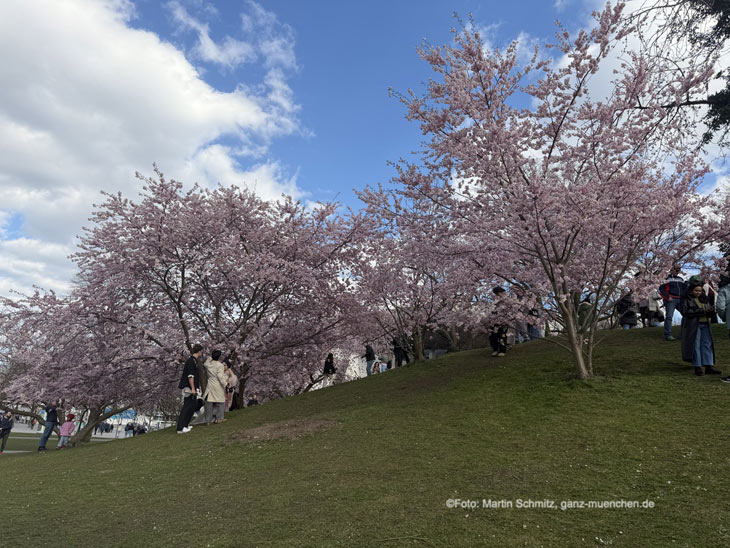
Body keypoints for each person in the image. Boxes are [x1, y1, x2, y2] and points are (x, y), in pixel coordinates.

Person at [678, 278, 721, 376]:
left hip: (705, 323)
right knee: (695, 345)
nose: (698, 292)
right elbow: (685, 312)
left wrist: (711, 312)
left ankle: (708, 365)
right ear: (691, 290)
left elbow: (707, 310)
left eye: (700, 290)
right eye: (696, 290)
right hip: (693, 325)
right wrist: (702, 311)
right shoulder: (686, 299)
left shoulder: (704, 298)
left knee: (707, 344)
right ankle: (698, 366)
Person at [176, 343, 203, 434]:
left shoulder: (193, 361)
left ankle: (185, 425)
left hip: (192, 387)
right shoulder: (191, 361)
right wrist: (193, 388)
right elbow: (190, 376)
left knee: (191, 406)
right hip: (189, 387)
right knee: (187, 406)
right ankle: (181, 427)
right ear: (199, 351)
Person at [659, 266, 684, 340]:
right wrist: (667, 297)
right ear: (671, 270)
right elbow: (661, 289)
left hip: (680, 300)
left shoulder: (681, 279)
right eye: (675, 269)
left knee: (686, 315)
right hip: (671, 299)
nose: (677, 271)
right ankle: (668, 334)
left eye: (678, 270)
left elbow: (684, 289)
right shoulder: (666, 279)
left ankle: (683, 334)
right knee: (669, 317)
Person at [202, 350, 228, 425]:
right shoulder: (220, 365)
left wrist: (209, 358)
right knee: (221, 401)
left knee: (209, 401)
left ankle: (208, 420)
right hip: (217, 385)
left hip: (210, 383)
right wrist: (225, 384)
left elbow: (205, 363)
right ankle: (219, 418)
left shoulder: (208, 364)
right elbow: (220, 376)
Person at [489, 287, 509, 357]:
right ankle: (495, 349)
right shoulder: (494, 300)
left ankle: (502, 350)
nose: (497, 295)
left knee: (502, 335)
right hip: (494, 319)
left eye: (497, 293)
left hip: (504, 320)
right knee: (492, 335)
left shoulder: (506, 300)